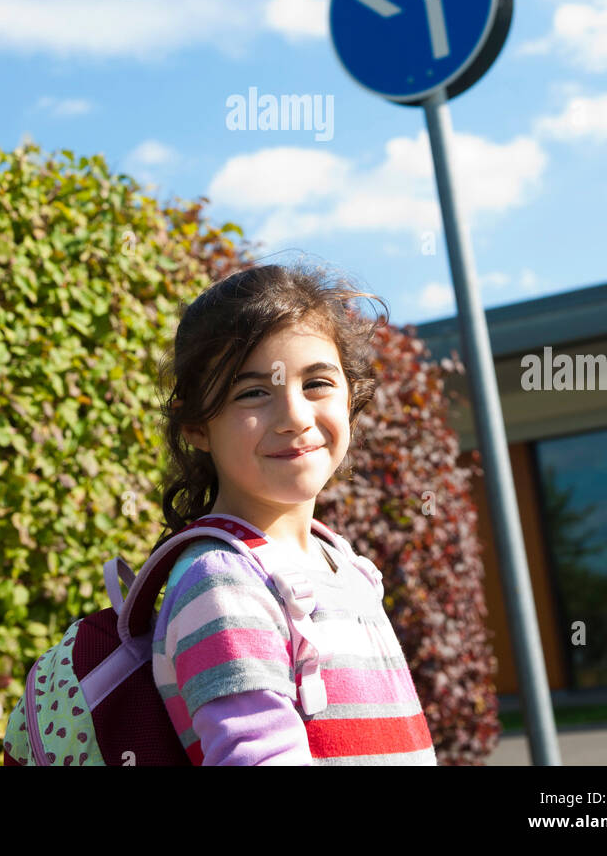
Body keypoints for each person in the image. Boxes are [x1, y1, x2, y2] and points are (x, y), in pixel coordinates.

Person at [150, 258, 438, 766]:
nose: (295, 418)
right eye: (253, 392)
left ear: (351, 395)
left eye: (318, 383)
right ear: (195, 425)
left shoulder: (345, 565)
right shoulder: (222, 581)